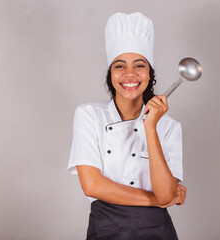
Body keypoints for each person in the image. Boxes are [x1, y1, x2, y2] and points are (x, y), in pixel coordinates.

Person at [67, 12, 187, 240]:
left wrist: (150, 127)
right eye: (119, 66)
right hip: (106, 229)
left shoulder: (169, 127)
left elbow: (164, 193)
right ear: (110, 74)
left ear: (149, 73)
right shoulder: (90, 115)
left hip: (158, 231)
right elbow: (92, 186)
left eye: (139, 65)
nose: (129, 74)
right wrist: (159, 199)